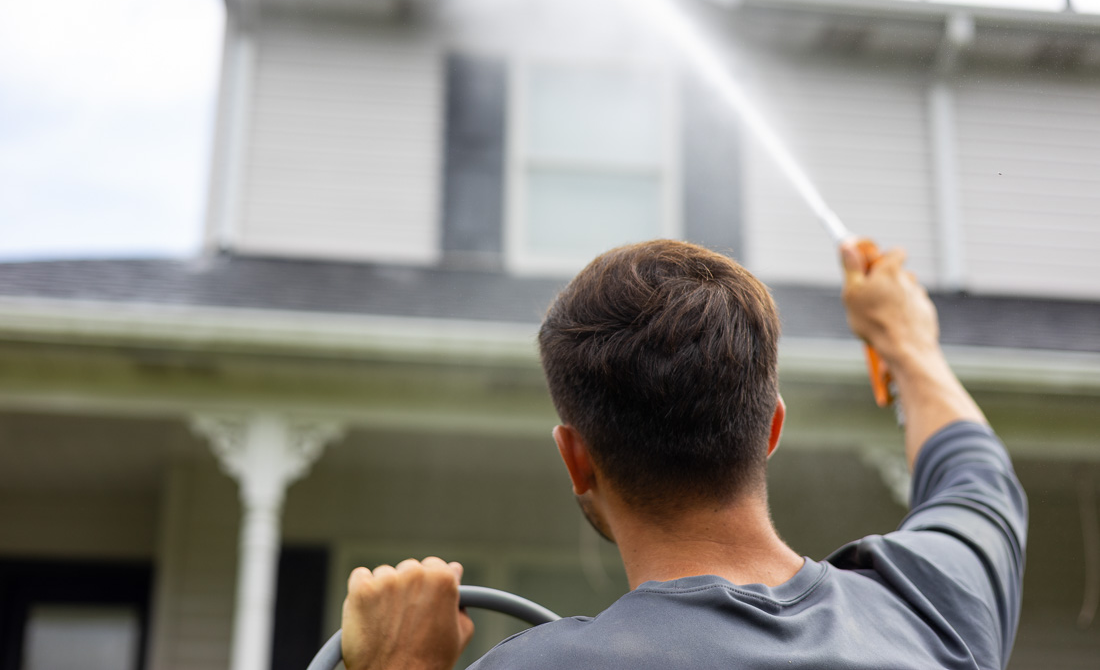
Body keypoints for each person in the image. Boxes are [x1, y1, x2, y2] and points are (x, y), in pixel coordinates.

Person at [340, 238, 1026, 670]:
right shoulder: (933, 610)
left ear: (576, 458)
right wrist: (907, 342)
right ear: (771, 428)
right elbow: (975, 476)